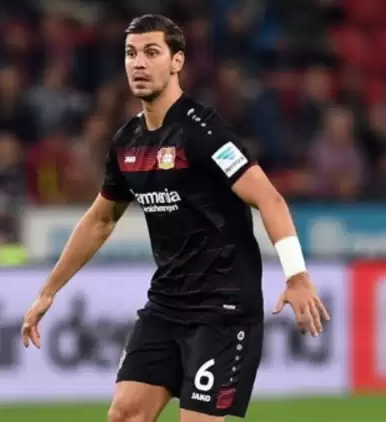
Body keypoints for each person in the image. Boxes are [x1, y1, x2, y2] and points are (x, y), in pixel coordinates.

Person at [20, 14, 330, 422]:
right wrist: (48, 291)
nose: (139, 63)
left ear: (177, 61)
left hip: (223, 308)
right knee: (124, 414)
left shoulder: (204, 132)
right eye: (131, 53)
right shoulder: (127, 142)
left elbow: (269, 199)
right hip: (166, 304)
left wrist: (297, 276)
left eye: (152, 52)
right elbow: (100, 220)